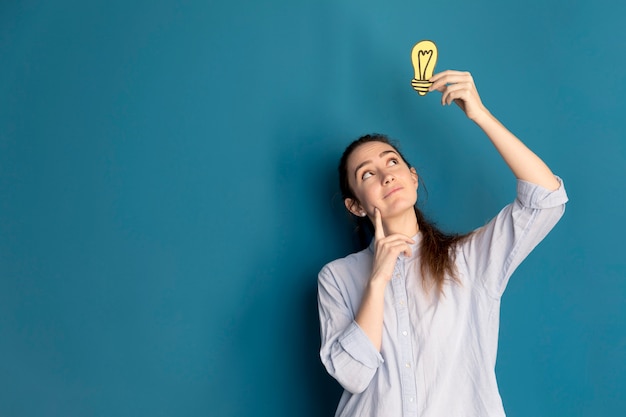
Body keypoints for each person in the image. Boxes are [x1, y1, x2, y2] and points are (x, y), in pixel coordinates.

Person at [317, 70, 568, 417]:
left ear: (412, 177)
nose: (386, 173)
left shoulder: (469, 260)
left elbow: (547, 200)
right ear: (355, 205)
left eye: (392, 162)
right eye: (367, 174)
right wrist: (377, 282)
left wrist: (480, 113)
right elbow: (353, 376)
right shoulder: (337, 277)